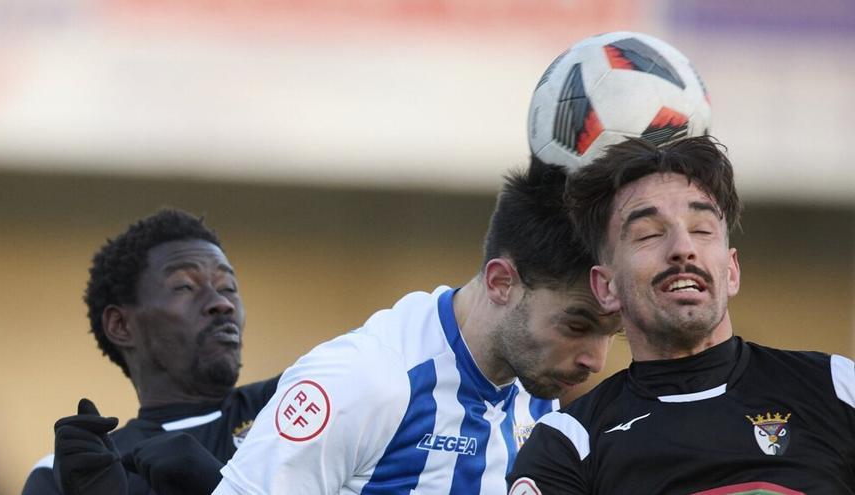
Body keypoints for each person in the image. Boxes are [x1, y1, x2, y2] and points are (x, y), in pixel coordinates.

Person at [203, 161, 620, 495]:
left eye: (611, 331)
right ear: (500, 282)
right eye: (577, 324)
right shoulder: (363, 381)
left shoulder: (536, 390)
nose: (596, 360)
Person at [507, 136, 855, 494]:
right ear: (606, 287)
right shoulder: (569, 445)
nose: (683, 249)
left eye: (702, 230)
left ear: (732, 271)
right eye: (648, 234)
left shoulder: (839, 389)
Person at [21, 209, 281, 495]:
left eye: (228, 287)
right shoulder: (64, 473)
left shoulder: (297, 400)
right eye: (185, 286)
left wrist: (218, 488)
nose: (221, 303)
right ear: (121, 325)